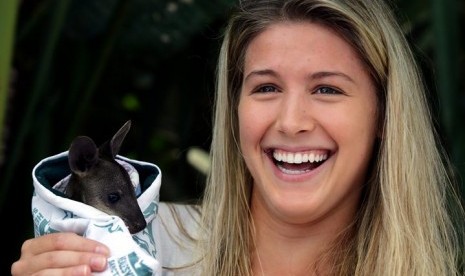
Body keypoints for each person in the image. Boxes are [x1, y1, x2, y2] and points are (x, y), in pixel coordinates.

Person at [11, 0, 465, 275]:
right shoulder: (140, 245)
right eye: (266, 87)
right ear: (234, 110)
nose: (291, 121)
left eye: (327, 89)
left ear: (386, 115)